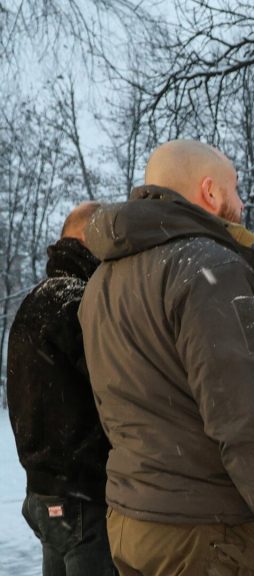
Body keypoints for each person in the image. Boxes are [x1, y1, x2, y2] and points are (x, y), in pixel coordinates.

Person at [78, 140, 254, 576]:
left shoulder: (103, 281)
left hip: (132, 525)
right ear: (210, 192)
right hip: (204, 535)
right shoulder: (210, 270)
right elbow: (249, 418)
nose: (242, 202)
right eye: (235, 188)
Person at [6, 202, 115, 576]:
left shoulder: (35, 301)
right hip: (83, 498)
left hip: (45, 494)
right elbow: (116, 386)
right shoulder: (77, 302)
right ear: (90, 238)